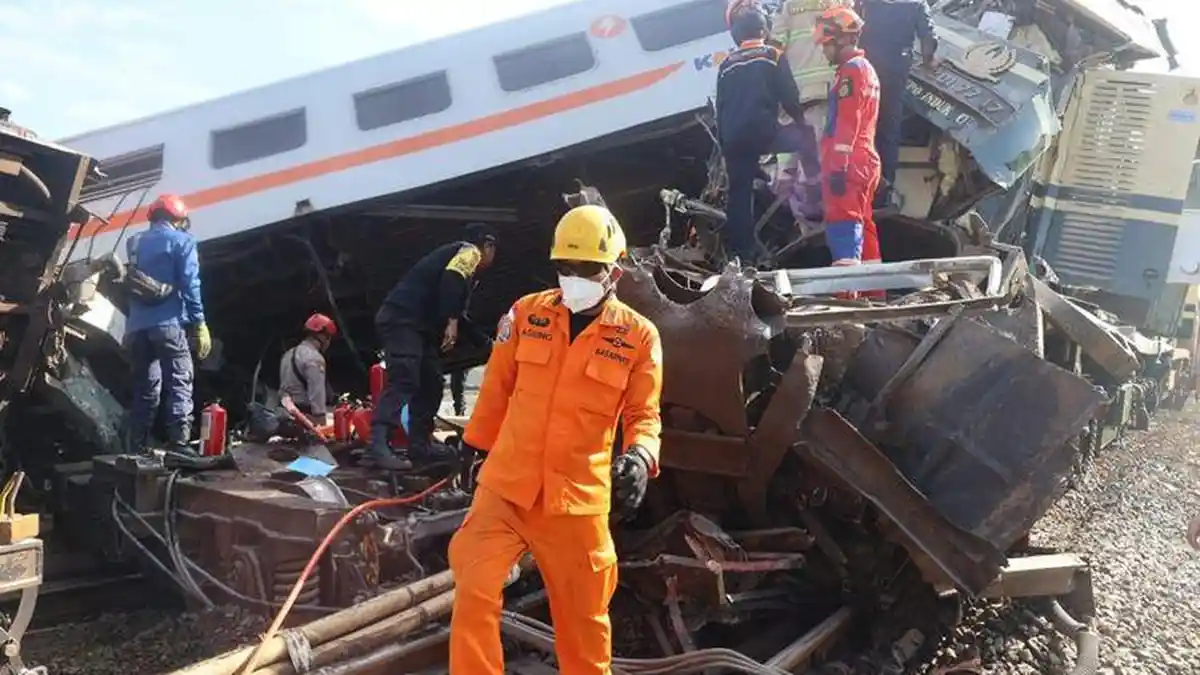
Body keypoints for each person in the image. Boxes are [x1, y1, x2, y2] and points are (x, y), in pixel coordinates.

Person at [448, 205, 664, 675]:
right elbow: (496, 388)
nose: (574, 278)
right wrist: (473, 446)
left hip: (576, 502)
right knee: (474, 589)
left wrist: (640, 456)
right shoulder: (526, 314)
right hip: (506, 489)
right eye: (566, 267)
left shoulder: (639, 337)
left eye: (587, 269)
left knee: (585, 625)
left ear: (615, 271)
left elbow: (644, 413)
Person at [370, 223, 498, 469]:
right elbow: (452, 279)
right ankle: (378, 445)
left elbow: (461, 315)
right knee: (405, 378)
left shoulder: (459, 263)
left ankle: (420, 445)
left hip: (419, 327)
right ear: (488, 246)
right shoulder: (469, 251)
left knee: (432, 382)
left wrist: (488, 344)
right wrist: (451, 320)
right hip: (403, 319)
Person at [716, 3, 807, 263]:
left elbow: (721, 109)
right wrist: (802, 125)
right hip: (764, 133)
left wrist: (725, 147)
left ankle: (742, 254)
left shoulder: (727, 64)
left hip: (733, 138)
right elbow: (789, 96)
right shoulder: (773, 55)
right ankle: (814, 201)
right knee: (808, 143)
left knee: (739, 194)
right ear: (764, 30)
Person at [124, 194, 210, 455]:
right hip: (168, 325)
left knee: (145, 389)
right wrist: (199, 323)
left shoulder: (134, 242)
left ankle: (137, 446)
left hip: (136, 328)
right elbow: (190, 284)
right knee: (179, 379)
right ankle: (179, 444)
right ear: (178, 218)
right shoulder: (183, 241)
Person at [815, 7, 881, 277]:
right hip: (864, 160)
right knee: (864, 228)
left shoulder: (851, 72)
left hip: (849, 163)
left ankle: (846, 293)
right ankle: (874, 292)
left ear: (842, 39)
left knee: (843, 227)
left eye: (827, 44)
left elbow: (848, 120)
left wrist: (839, 165)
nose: (823, 51)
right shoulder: (866, 69)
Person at [857, 0, 938, 210]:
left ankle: (859, 183)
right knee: (889, 130)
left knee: (864, 126)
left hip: (866, 68)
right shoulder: (916, 4)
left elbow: (853, 21)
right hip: (895, 72)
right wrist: (929, 61)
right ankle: (883, 191)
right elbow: (928, 39)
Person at [277, 313, 338, 434]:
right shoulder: (315, 358)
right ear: (323, 337)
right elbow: (317, 394)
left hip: (285, 414)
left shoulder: (288, 354)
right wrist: (321, 423)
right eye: (329, 338)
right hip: (305, 418)